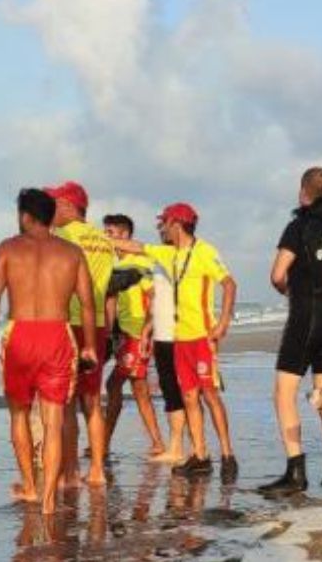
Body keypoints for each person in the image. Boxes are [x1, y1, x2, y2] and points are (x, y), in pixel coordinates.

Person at [0, 188, 97, 516]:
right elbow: (87, 304)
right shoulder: (71, 253)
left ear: (25, 216)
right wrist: (88, 345)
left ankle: (30, 486)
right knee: (54, 418)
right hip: (57, 333)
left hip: (20, 334)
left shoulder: (7, 248)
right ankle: (47, 502)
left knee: (19, 414)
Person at [113, 203, 238, 481]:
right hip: (179, 338)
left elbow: (229, 284)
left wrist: (223, 323)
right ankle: (201, 455)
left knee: (210, 395)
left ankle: (228, 454)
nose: (162, 228)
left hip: (201, 336)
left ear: (176, 223)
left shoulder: (205, 251)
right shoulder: (167, 253)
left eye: (165, 223)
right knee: (190, 396)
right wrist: (98, 240)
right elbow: (137, 247)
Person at [259, 167, 322, 496]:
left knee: (284, 394)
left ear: (303, 191)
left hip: (304, 320)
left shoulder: (298, 227)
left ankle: (295, 470)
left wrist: (292, 293)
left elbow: (277, 274)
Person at [45, 181, 115, 488]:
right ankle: (98, 469)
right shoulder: (105, 240)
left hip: (69, 321)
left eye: (55, 204)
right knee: (92, 400)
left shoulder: (61, 236)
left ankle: (71, 471)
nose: (50, 211)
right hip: (97, 324)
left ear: (69, 207)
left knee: (67, 402)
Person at [102, 213, 166, 457]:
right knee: (135, 388)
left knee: (121, 385)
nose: (106, 237)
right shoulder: (112, 263)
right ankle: (107, 442)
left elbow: (154, 297)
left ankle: (107, 442)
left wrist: (149, 329)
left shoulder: (140, 262)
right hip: (123, 334)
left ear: (125, 235)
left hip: (137, 333)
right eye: (105, 232)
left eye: (112, 234)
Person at [145, 215, 188, 463]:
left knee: (188, 393)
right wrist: (148, 329)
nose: (161, 230)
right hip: (162, 334)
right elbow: (159, 299)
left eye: (164, 226)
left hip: (180, 334)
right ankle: (177, 446)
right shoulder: (160, 259)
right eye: (159, 226)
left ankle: (189, 446)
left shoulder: (180, 256)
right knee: (171, 392)